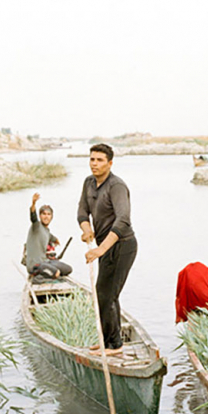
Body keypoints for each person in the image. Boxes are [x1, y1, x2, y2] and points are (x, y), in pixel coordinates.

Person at [78, 143, 137, 356]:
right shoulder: (88, 183)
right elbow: (82, 213)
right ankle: (107, 340)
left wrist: (100, 250)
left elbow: (123, 221)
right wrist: (87, 230)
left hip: (122, 246)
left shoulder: (116, 186)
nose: (94, 164)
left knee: (107, 294)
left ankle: (115, 345)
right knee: (104, 293)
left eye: (100, 160)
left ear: (110, 163)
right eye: (92, 159)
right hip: (104, 246)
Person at [24, 192, 72, 281]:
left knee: (68, 269)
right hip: (35, 265)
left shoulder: (47, 231)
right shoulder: (36, 226)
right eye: (44, 214)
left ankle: (48, 272)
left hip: (45, 262)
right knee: (56, 273)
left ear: (52, 217)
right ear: (40, 216)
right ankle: (38, 278)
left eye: (48, 214)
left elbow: (51, 237)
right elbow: (33, 217)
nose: (46, 217)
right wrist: (33, 204)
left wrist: (56, 240)